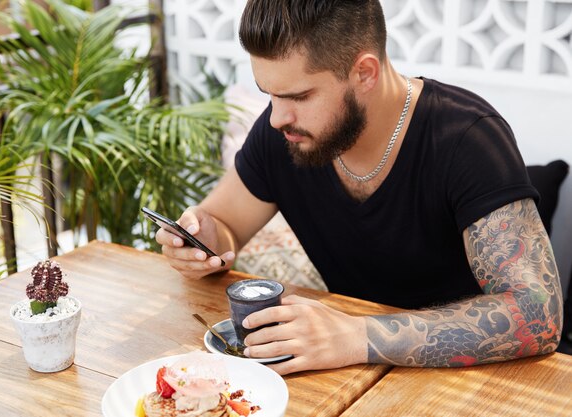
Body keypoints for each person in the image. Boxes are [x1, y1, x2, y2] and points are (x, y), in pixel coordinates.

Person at [156, 0, 563, 374]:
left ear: (364, 72)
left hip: (476, 380)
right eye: (269, 94)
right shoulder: (285, 130)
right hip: (347, 376)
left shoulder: (466, 137)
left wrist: (355, 336)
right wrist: (201, 241)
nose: (277, 116)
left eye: (298, 95)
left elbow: (537, 315)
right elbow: (223, 224)